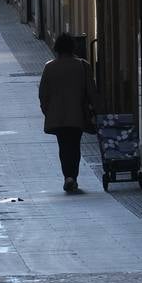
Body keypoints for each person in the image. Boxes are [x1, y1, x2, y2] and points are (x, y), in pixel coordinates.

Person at [38, 33, 95, 193]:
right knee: (75, 145)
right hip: (77, 114)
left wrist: (47, 111)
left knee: (63, 146)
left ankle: (67, 177)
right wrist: (98, 110)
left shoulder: (49, 67)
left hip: (57, 116)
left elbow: (43, 93)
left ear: (57, 49)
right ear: (73, 47)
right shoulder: (83, 66)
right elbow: (91, 92)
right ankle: (72, 177)